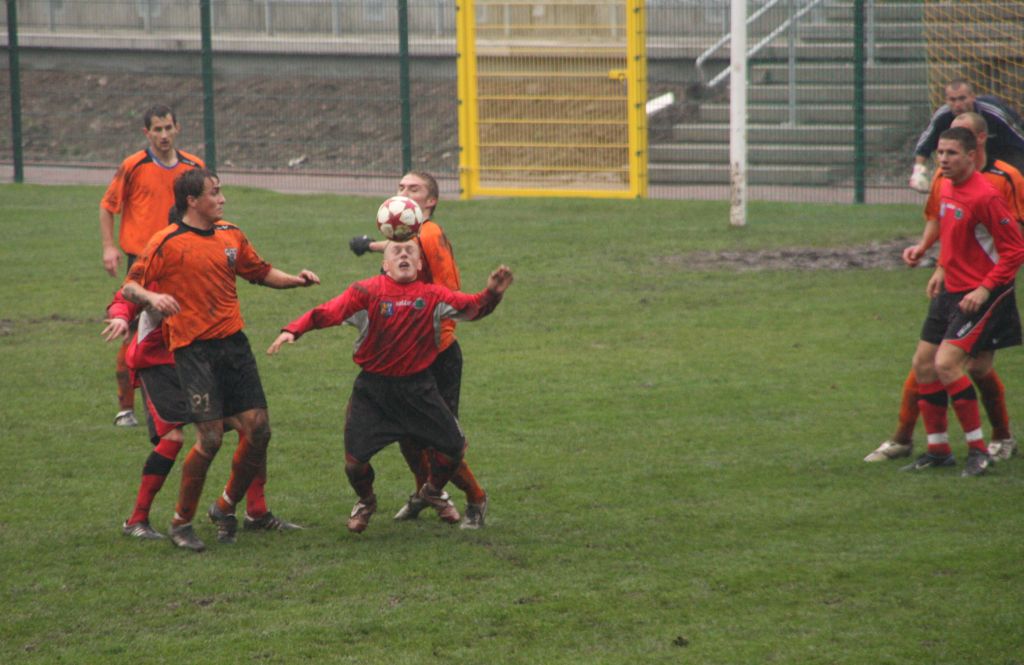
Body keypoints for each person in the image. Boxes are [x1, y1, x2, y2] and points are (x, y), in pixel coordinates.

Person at [121, 168, 320, 552]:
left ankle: (226, 506)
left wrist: (294, 280)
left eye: (221, 192)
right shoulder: (167, 242)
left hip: (234, 346)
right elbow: (130, 285)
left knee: (259, 429)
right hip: (194, 352)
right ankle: (181, 522)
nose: (222, 199)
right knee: (209, 439)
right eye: (214, 193)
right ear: (192, 201)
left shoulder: (231, 234)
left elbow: (258, 272)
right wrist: (152, 298)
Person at [267, 240, 513, 534]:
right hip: (374, 392)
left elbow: (472, 308)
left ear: (421, 265)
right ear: (385, 264)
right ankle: (367, 501)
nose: (404, 255)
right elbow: (327, 311)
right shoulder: (366, 292)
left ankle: (432, 490)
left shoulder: (433, 295)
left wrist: (493, 294)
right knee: (354, 464)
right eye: (396, 251)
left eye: (411, 251)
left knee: (453, 448)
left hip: (418, 389)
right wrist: (293, 330)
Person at [867, 112, 1024, 463]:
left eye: (951, 152)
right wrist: (934, 260)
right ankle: (934, 448)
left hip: (984, 291)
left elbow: (1014, 245)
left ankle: (990, 443)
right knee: (925, 364)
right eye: (940, 152)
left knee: (966, 367)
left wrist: (987, 287)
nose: (943, 159)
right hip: (952, 288)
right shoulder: (946, 181)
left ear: (976, 145)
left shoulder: (997, 186)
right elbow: (944, 224)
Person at [349, 171, 490, 529]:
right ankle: (428, 494)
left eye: (414, 189)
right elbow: (403, 245)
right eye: (400, 188)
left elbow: (413, 248)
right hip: (408, 353)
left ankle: (476, 498)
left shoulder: (429, 231)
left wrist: (371, 245)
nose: (404, 193)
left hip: (436, 351)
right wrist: (371, 246)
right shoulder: (413, 234)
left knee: (440, 439)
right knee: (407, 434)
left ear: (430, 202)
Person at [102, 288, 301, 541]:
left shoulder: (210, 256)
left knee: (252, 428)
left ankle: (255, 511)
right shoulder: (163, 256)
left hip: (199, 363)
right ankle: (137, 520)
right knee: (171, 440)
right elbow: (127, 294)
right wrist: (121, 316)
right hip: (158, 367)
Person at [100, 104, 204, 427]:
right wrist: (109, 246)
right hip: (142, 261)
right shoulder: (133, 166)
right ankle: (125, 408)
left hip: (184, 258)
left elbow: (207, 205)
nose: (163, 135)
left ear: (178, 128)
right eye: (156, 130)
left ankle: (189, 401)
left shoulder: (194, 166)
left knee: (188, 331)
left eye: (167, 128)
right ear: (146, 133)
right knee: (133, 333)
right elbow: (107, 206)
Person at [909, 79, 1024, 192]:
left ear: (973, 97)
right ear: (946, 100)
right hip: (971, 155)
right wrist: (918, 171)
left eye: (962, 98)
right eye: (952, 100)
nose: (958, 104)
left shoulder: (993, 112)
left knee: (1011, 180)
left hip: (1005, 149)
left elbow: (1019, 137)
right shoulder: (942, 116)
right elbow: (925, 144)